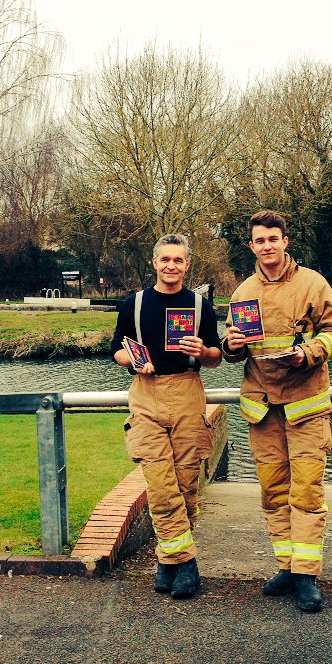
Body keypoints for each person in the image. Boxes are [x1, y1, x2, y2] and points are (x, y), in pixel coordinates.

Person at [222, 210, 332, 613]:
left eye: (273, 239)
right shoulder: (242, 292)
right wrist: (230, 345)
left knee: (307, 492)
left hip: (305, 405)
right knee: (274, 492)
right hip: (262, 409)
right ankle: (287, 567)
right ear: (252, 246)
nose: (267, 246)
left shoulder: (313, 283)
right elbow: (232, 350)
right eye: (260, 240)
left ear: (285, 241)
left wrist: (307, 353)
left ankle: (307, 574)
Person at [112, 234, 222, 599]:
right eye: (165, 259)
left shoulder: (200, 305)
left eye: (178, 260)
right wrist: (132, 361)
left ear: (187, 265)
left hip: (188, 391)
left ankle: (168, 561)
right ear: (155, 263)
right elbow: (116, 349)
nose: (171, 266)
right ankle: (186, 563)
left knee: (185, 484)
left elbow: (216, 356)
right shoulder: (135, 303)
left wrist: (203, 351)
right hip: (146, 394)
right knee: (160, 484)